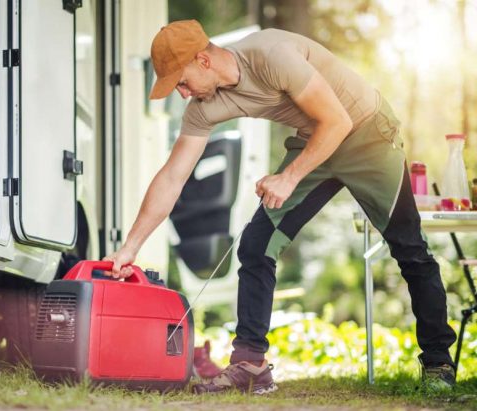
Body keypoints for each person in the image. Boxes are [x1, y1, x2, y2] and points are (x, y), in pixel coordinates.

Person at [103, 19, 457, 394]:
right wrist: (131, 247)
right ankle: (250, 365)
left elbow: (337, 121)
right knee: (256, 245)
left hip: (366, 131)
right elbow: (172, 176)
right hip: (314, 142)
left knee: (410, 249)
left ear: (203, 60)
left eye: (181, 81)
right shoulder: (203, 108)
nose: (182, 93)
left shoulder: (271, 54)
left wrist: (288, 177)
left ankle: (438, 364)